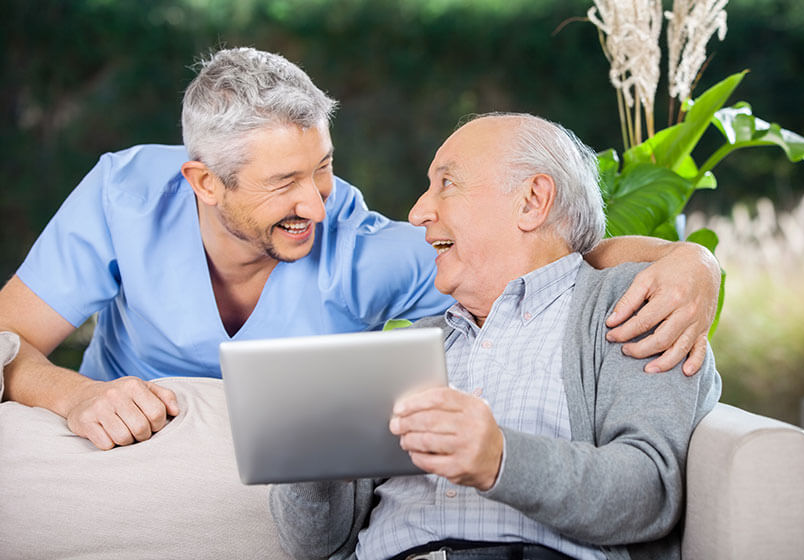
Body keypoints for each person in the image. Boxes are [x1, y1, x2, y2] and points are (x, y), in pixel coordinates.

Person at [0, 48, 719, 451]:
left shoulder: (360, 249)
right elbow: (6, 341)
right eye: (285, 182)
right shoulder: (124, 196)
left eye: (324, 167)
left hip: (285, 475)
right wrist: (78, 395)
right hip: (128, 451)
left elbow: (561, 259)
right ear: (204, 183)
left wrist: (692, 262)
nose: (317, 203)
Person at [270, 113, 722, 560]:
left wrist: (500, 459)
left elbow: (649, 494)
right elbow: (318, 544)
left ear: (531, 201)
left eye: (446, 184)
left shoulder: (629, 306)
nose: (417, 213)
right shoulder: (408, 349)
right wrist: (311, 454)